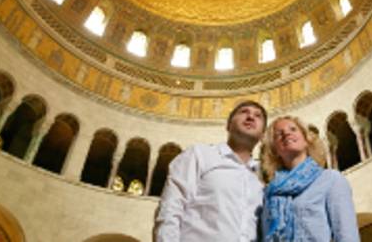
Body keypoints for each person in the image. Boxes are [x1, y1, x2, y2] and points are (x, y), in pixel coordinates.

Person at [154, 100, 267, 242]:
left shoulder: (261, 177)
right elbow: (171, 208)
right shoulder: (200, 155)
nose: (251, 117)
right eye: (244, 112)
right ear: (228, 125)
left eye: (258, 116)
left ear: (263, 135)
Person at [261, 116, 360, 242]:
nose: (286, 133)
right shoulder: (268, 194)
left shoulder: (330, 179)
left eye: (293, 129)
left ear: (306, 140)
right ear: (274, 150)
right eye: (278, 134)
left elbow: (347, 236)